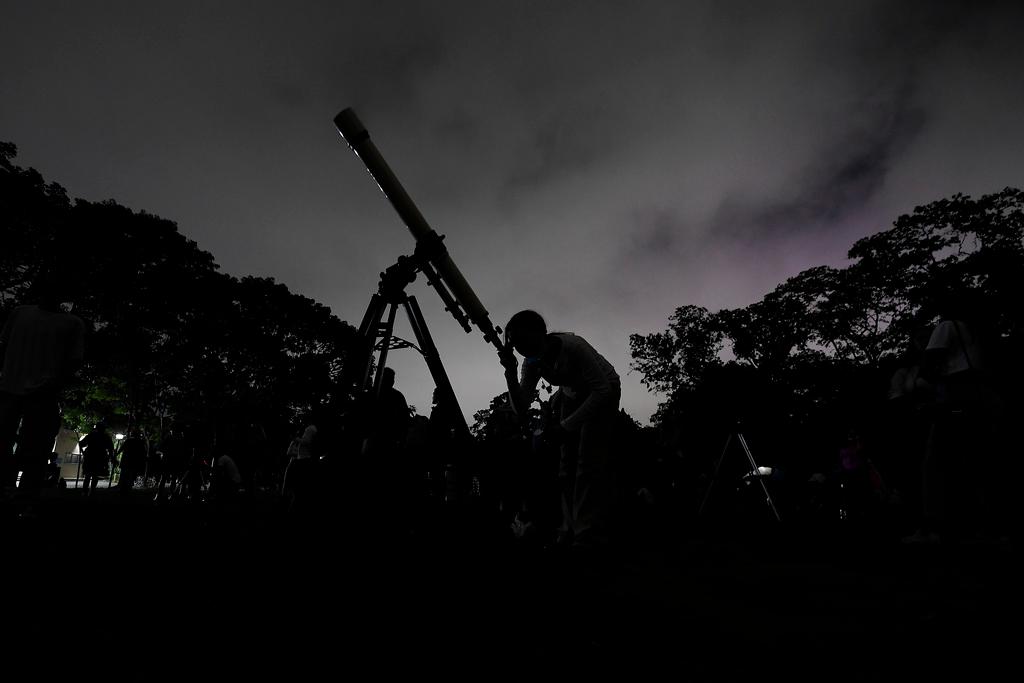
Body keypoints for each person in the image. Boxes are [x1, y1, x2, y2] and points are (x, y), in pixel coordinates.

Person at [501, 310, 621, 553]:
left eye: (525, 341)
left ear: (540, 333)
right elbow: (520, 406)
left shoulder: (574, 347)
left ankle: (586, 533)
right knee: (565, 466)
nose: (522, 348)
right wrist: (510, 372)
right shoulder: (531, 362)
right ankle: (569, 527)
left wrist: (566, 427)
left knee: (588, 462)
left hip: (603, 390)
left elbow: (602, 390)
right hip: (570, 393)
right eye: (517, 344)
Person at [0, 273, 84, 492]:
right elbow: (73, 362)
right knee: (33, 447)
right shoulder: (22, 313)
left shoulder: (23, 313)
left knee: (34, 448)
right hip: (24, 391)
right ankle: (19, 492)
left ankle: (23, 493)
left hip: (27, 391)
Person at [79, 422, 115, 496]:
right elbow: (111, 449)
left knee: (90, 475)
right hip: (98, 457)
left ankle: (86, 491)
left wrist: (82, 447)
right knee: (94, 475)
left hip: (93, 457)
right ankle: (90, 491)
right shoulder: (104, 436)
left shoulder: (92, 435)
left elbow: (82, 444)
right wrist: (111, 457)